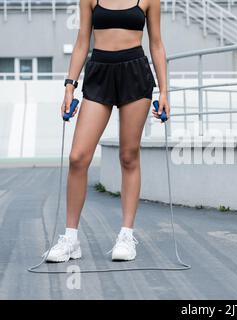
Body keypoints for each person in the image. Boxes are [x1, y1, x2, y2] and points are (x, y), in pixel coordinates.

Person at [44, 0, 169, 262]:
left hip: (135, 72)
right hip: (99, 72)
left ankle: (126, 235)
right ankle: (70, 239)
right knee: (78, 157)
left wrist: (165, 91)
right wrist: (69, 86)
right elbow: (82, 41)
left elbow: (156, 43)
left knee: (128, 156)